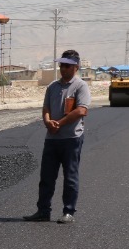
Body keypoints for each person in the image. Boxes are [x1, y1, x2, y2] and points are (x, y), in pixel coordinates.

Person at [24, 49, 91, 224]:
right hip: (52, 139)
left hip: (71, 139)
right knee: (46, 177)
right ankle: (43, 211)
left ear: (76, 67)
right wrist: (47, 122)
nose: (63, 68)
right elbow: (46, 108)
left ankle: (69, 211)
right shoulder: (52, 86)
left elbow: (81, 110)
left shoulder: (80, 86)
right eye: (61, 65)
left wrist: (59, 123)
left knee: (70, 176)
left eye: (67, 66)